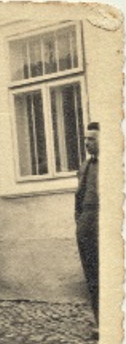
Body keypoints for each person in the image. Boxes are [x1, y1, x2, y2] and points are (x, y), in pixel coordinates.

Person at [75, 122, 99, 326]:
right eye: (85, 139)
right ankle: (101, 321)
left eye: (92, 139)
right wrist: (80, 221)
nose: (86, 143)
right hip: (87, 226)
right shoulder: (85, 166)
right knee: (92, 275)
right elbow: (79, 197)